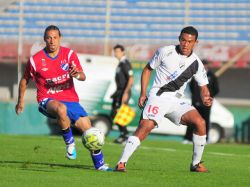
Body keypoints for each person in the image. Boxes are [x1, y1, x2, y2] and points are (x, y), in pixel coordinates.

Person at [115, 26, 213, 172]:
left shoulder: (196, 63)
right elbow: (147, 70)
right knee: (145, 127)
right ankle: (121, 163)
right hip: (158, 97)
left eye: (189, 41)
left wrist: (206, 96)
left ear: (196, 42)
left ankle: (195, 164)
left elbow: (204, 86)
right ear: (179, 39)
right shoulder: (165, 51)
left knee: (200, 123)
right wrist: (143, 93)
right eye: (183, 40)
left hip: (176, 101)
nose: (185, 44)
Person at [15, 25, 112, 171]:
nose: (52, 41)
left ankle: (100, 165)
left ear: (60, 38)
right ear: (44, 39)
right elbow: (24, 80)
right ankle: (70, 144)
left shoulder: (69, 55)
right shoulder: (36, 60)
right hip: (46, 99)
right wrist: (20, 101)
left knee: (90, 132)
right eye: (49, 38)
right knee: (61, 109)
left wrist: (76, 74)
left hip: (70, 99)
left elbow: (83, 76)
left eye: (55, 37)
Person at [183, 59, 219, 144]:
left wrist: (209, 96)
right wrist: (196, 97)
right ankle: (188, 138)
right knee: (192, 120)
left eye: (205, 65)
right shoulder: (196, 75)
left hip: (206, 104)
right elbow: (192, 87)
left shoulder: (212, 76)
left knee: (205, 121)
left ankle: (205, 139)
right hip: (196, 102)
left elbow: (216, 89)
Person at [110, 44, 134, 144]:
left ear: (123, 52)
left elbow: (131, 79)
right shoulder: (120, 64)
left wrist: (125, 92)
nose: (116, 53)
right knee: (114, 113)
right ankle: (123, 134)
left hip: (124, 92)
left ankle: (125, 135)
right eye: (115, 51)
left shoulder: (125, 63)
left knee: (118, 113)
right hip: (119, 92)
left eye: (118, 51)